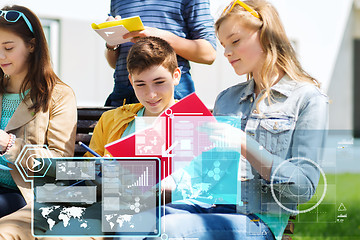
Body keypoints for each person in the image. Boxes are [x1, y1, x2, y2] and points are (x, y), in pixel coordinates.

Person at [155, 0, 329, 239]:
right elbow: (204, 176)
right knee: (135, 222)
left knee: (167, 229)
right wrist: (153, 180)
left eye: (235, 41)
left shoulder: (308, 99)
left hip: (257, 220)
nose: (226, 52)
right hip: (209, 207)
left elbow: (304, 189)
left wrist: (245, 145)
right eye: (224, 45)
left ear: (266, 35)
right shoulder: (227, 99)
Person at [0, 4, 77, 239]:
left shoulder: (59, 95)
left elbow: (61, 164)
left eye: (8, 47)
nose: (1, 56)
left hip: (24, 196)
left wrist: (10, 144)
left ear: (32, 45)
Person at [104, 0, 217, 107]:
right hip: (123, 96)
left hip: (172, 94)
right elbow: (115, 64)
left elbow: (208, 53)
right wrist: (112, 43)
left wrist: (159, 37)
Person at [86, 36, 180, 157]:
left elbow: (207, 172)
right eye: (140, 84)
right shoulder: (110, 120)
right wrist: (99, 168)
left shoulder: (195, 124)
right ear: (131, 81)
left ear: (175, 76)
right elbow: (85, 168)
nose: (151, 94)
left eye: (159, 82)